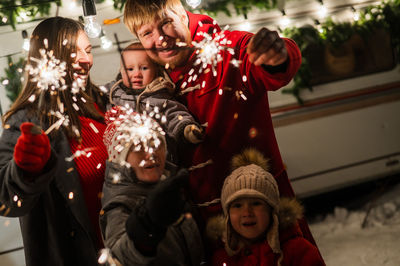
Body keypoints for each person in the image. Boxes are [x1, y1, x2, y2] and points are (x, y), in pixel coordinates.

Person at [122, 0, 317, 246]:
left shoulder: (224, 51)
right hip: (207, 233)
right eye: (147, 33)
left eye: (166, 23)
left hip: (263, 217)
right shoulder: (147, 79)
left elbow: (260, 57)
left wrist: (277, 53)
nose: (160, 38)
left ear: (183, 15)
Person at [0, 17, 108, 265]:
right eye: (73, 52)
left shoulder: (104, 103)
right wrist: (24, 170)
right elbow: (5, 200)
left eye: (88, 50)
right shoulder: (26, 120)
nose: (86, 60)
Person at [100, 108, 205, 265]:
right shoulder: (119, 205)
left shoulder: (169, 184)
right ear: (120, 159)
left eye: (156, 144)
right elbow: (118, 258)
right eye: (138, 147)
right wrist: (145, 227)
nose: (151, 154)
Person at [211, 148, 325, 266]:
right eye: (237, 205)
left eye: (256, 203)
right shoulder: (223, 258)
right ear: (227, 214)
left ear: (271, 209)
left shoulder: (298, 251)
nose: (246, 212)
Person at [106, 42, 204, 157]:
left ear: (155, 70)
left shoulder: (160, 96)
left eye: (144, 68)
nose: (137, 74)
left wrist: (186, 129)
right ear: (121, 71)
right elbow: (95, 94)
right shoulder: (113, 92)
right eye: (130, 69)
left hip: (157, 157)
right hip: (121, 157)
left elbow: (175, 114)